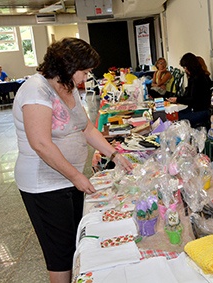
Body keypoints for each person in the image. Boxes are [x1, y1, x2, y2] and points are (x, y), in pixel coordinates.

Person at [12, 37, 133, 283]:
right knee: (60, 253)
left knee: (76, 241)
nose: (86, 78)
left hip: (67, 180)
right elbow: (41, 143)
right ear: (67, 66)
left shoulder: (67, 88)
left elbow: (86, 128)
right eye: (85, 72)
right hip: (44, 185)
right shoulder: (36, 90)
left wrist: (114, 154)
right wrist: (77, 176)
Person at [167, 52, 213, 127]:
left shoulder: (199, 79)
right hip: (195, 108)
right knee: (174, 115)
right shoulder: (194, 77)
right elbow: (189, 96)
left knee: (176, 119)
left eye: (185, 67)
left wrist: (177, 99)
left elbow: (193, 99)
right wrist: (178, 99)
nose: (185, 70)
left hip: (201, 111)